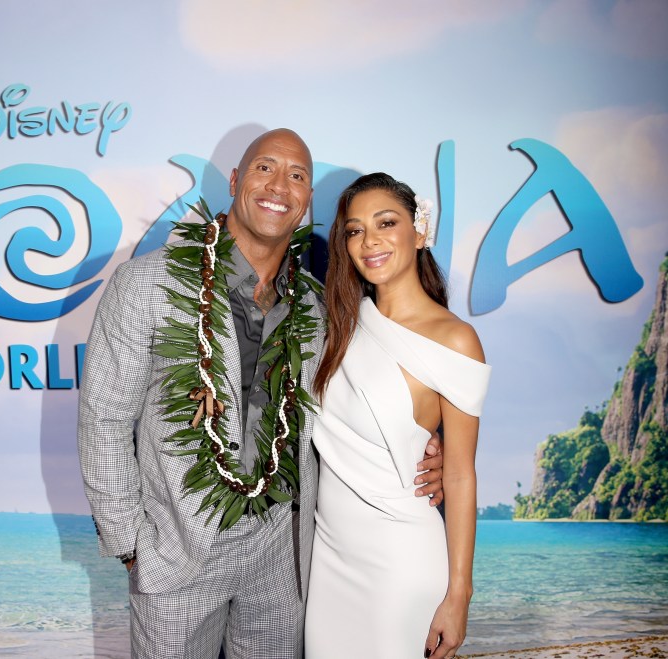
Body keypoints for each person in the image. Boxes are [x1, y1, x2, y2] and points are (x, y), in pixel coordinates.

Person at [78, 131, 445, 659]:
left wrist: (430, 446)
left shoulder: (321, 309)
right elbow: (104, 421)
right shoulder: (146, 285)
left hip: (281, 555)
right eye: (264, 168)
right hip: (178, 551)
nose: (280, 185)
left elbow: (377, 391)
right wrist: (132, 545)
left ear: (307, 202)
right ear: (235, 181)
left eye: (297, 176)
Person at [305, 172, 491, 659]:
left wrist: (458, 594)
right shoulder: (340, 325)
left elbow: (460, 473)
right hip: (329, 560)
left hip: (402, 561)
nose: (370, 241)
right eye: (354, 230)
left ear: (420, 230)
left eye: (386, 223)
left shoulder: (456, 339)